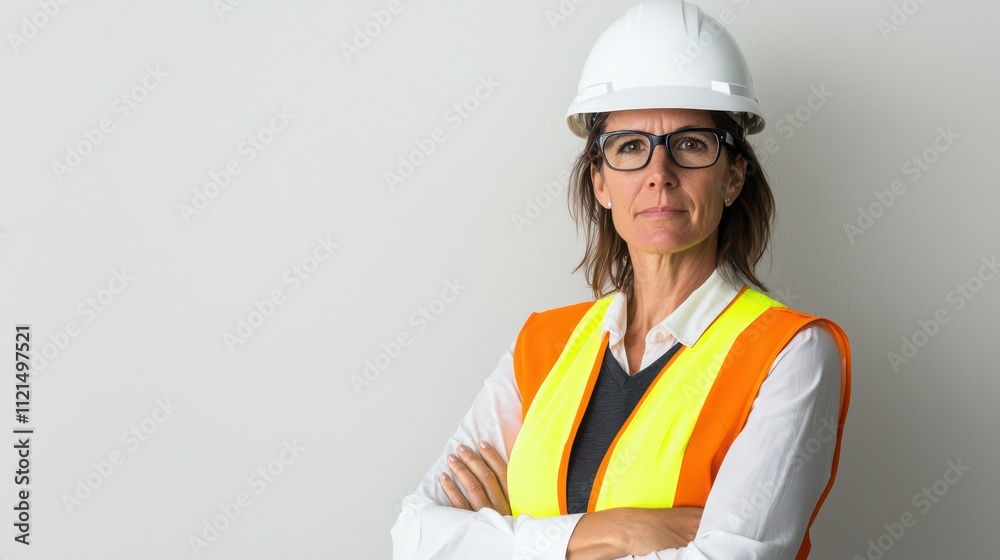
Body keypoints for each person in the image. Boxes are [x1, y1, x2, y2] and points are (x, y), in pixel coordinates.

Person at [390, 1, 851, 558]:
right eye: (630, 146)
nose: (659, 175)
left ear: (733, 177)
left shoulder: (790, 353)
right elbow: (415, 537)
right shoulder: (542, 346)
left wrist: (503, 539)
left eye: (691, 144)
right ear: (601, 183)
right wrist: (618, 531)